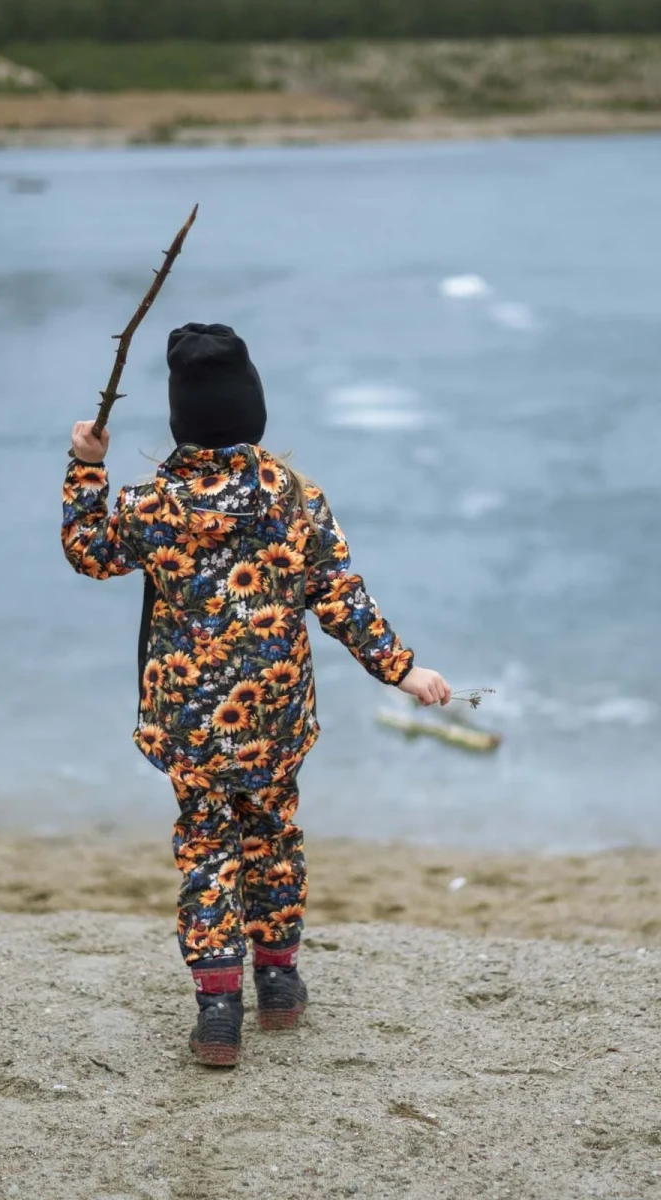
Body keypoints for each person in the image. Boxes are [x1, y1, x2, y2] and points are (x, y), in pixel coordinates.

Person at [61, 322, 450, 1067]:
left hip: (189, 721)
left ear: (179, 418)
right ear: (255, 411)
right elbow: (338, 595)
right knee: (273, 836)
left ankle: (218, 1012)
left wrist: (87, 469)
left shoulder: (150, 505)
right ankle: (277, 983)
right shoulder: (294, 498)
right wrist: (400, 669)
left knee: (207, 848)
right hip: (274, 716)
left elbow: (89, 554)